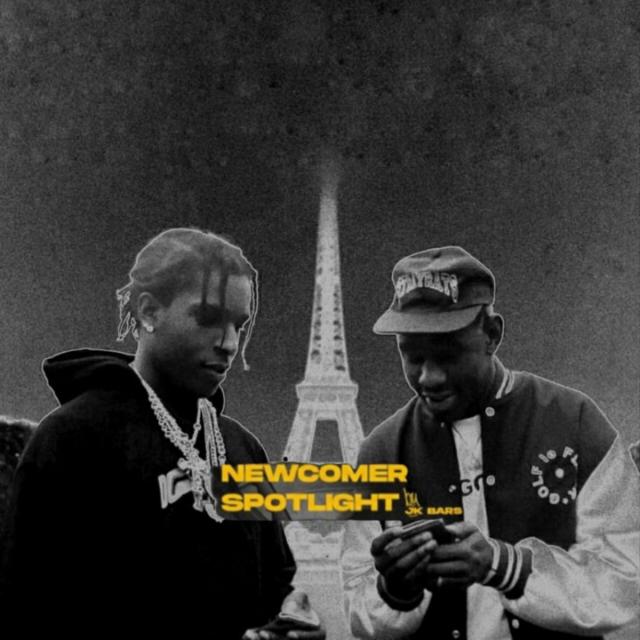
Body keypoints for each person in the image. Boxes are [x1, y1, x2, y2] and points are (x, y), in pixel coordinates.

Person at [0, 228, 324, 639]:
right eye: (208, 318)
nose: (228, 343)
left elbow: (274, 593)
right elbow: (27, 609)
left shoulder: (242, 448)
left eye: (239, 325)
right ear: (149, 312)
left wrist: (295, 624)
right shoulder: (71, 441)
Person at [341, 246, 640, 640]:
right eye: (411, 356)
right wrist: (395, 589)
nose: (429, 377)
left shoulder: (576, 422)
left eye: (448, 355)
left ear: (492, 335)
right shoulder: (378, 453)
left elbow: (627, 583)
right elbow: (359, 611)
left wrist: (505, 566)